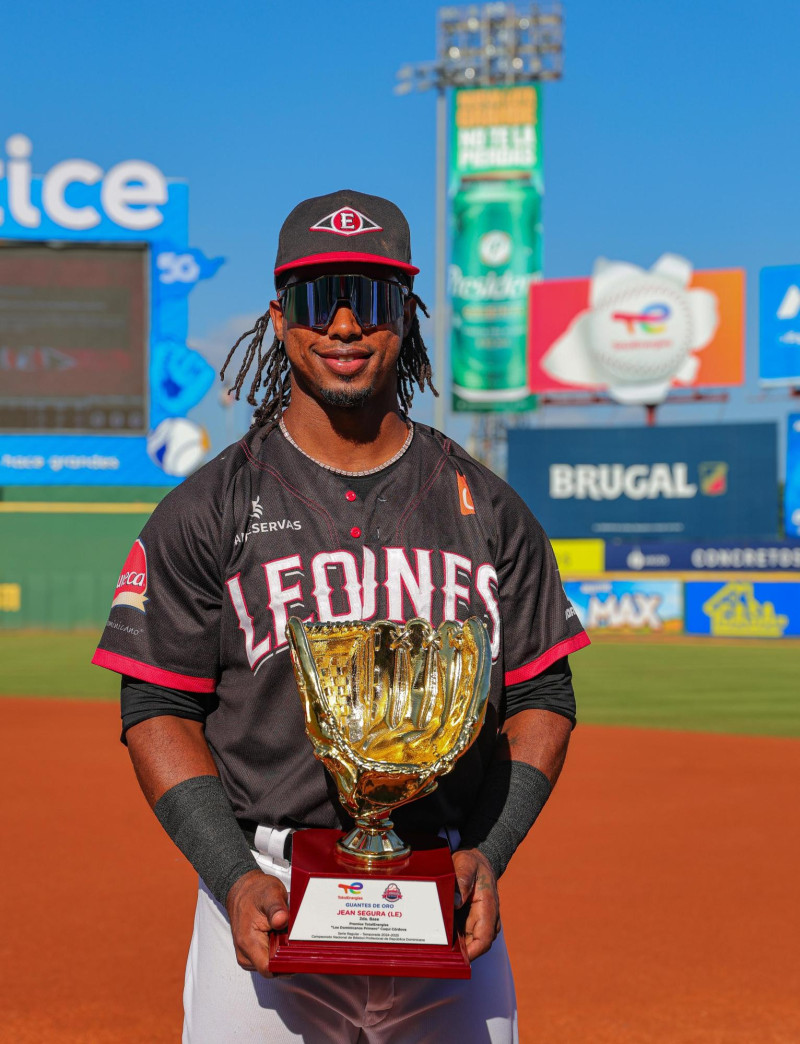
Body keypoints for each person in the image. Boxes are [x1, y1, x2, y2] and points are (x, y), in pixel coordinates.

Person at [93, 189, 589, 1043]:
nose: (348, 324)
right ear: (283, 318)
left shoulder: (490, 509)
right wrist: (230, 875)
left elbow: (545, 693)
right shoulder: (208, 508)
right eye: (323, 299)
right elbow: (156, 709)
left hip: (445, 894)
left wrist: (492, 851)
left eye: (376, 296)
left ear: (409, 317)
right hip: (265, 896)